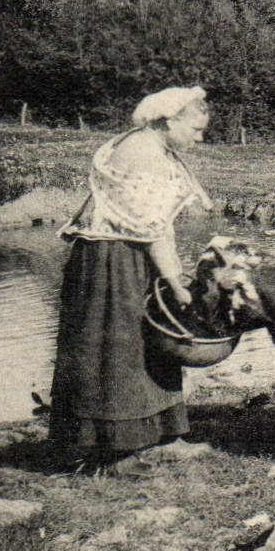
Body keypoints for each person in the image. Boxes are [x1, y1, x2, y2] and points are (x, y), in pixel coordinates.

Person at [49, 86, 214, 475]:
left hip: (129, 255)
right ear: (169, 120)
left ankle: (166, 436)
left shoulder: (148, 144)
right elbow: (153, 230)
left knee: (152, 343)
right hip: (112, 262)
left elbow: (156, 225)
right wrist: (176, 283)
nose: (199, 139)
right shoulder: (143, 155)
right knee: (117, 351)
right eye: (195, 129)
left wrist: (171, 274)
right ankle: (113, 453)